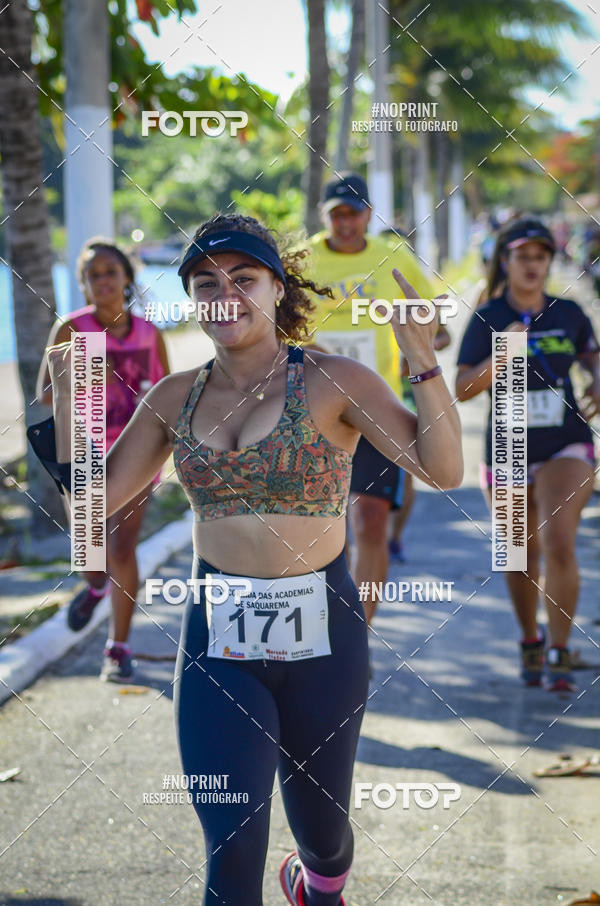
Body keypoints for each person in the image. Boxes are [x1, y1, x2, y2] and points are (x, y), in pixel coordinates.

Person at [29, 213, 462, 906]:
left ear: (276, 287)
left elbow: (441, 469)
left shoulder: (333, 380)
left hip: (324, 636)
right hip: (218, 640)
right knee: (231, 852)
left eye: (245, 279)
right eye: (205, 284)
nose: (224, 295)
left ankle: (318, 885)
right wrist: (60, 418)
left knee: (325, 834)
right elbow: (89, 509)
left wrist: (422, 362)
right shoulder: (177, 397)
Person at [456, 217, 600, 692]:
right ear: (506, 261)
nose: (533, 264)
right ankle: (530, 639)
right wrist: (503, 355)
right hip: (509, 447)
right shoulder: (488, 317)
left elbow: (592, 358)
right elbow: (463, 389)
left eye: (541, 256)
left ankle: (559, 648)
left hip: (566, 443)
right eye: (523, 256)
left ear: (549, 262)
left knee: (558, 539)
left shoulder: (569, 312)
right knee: (518, 555)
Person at [304, 173, 437, 625]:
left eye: (354, 213)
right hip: (310, 411)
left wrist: (419, 343)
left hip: (373, 411)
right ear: (325, 216)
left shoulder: (392, 257)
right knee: (316, 528)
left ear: (368, 215)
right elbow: (271, 322)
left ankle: (360, 631)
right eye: (337, 214)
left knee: (371, 523)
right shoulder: (299, 261)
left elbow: (428, 311)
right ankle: (314, 628)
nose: (346, 223)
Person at [35, 238, 170, 682]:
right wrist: (71, 372)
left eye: (111, 271)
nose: (103, 281)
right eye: (93, 275)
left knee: (123, 546)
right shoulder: (73, 328)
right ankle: (95, 587)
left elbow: (168, 393)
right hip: (83, 451)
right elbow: (47, 396)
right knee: (90, 550)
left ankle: (118, 646)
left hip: (138, 450)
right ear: (84, 284)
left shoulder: (150, 334)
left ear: (128, 277)